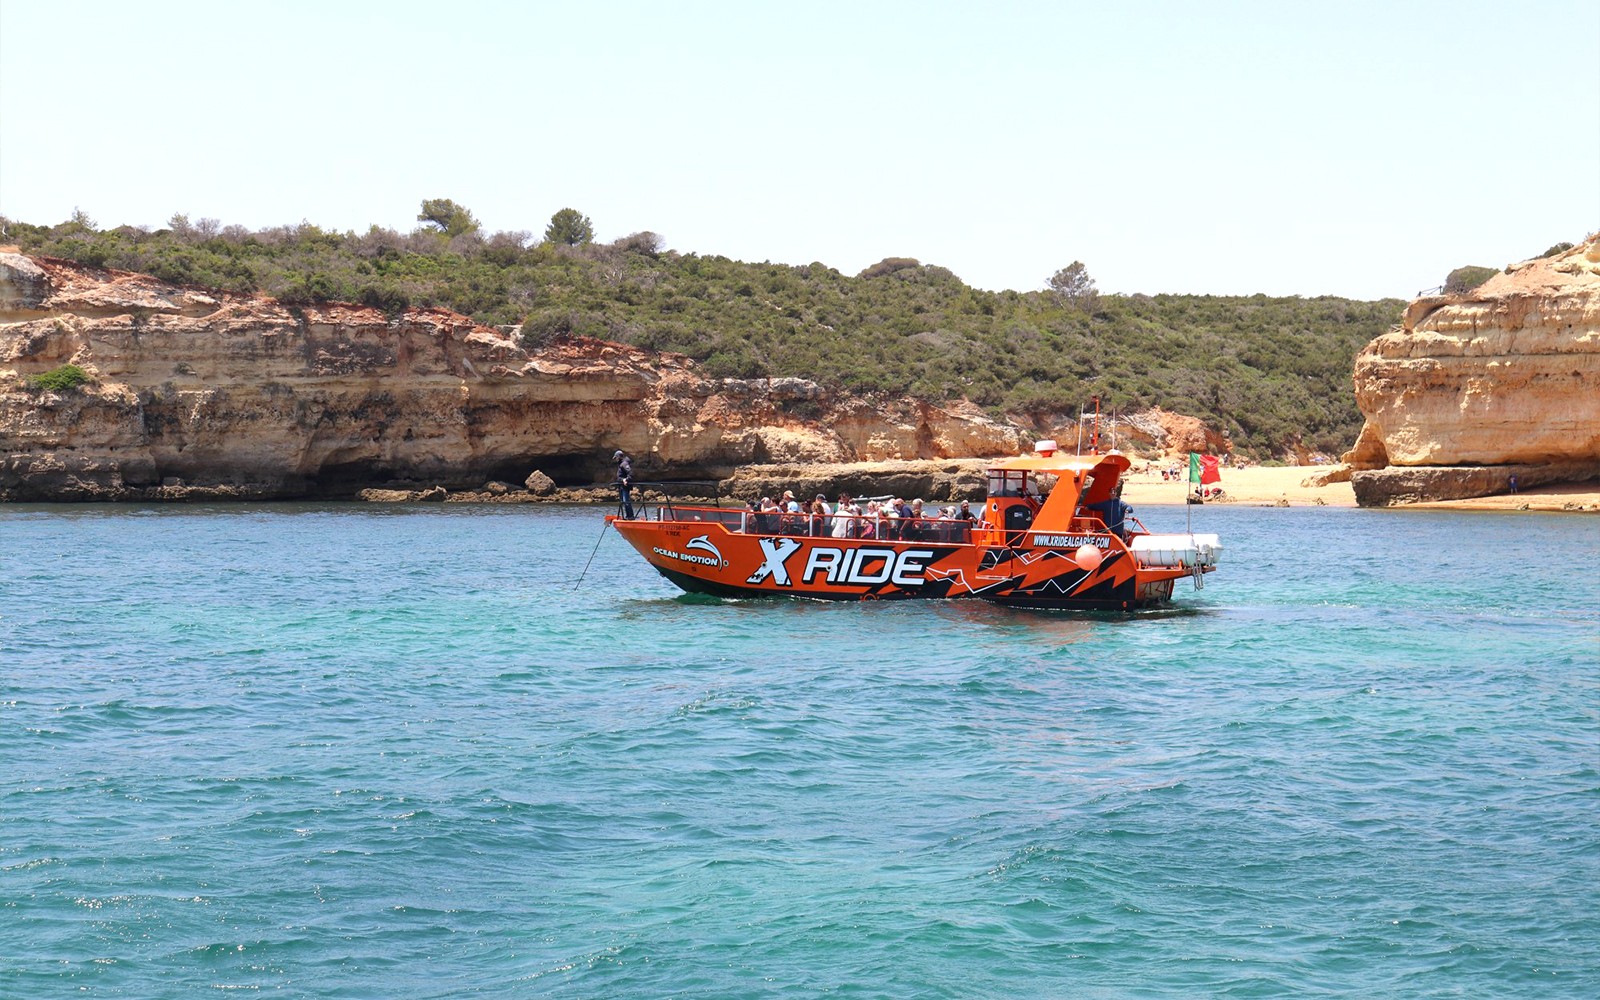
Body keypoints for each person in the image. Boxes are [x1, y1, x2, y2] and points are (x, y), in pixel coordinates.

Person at [613, 450, 635, 519]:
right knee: (624, 501)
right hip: (622, 486)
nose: (616, 459)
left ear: (619, 457)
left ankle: (630, 516)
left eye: (616, 457)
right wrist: (622, 480)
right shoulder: (621, 464)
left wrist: (626, 479)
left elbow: (630, 473)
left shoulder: (624, 464)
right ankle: (628, 516)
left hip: (625, 486)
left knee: (626, 501)